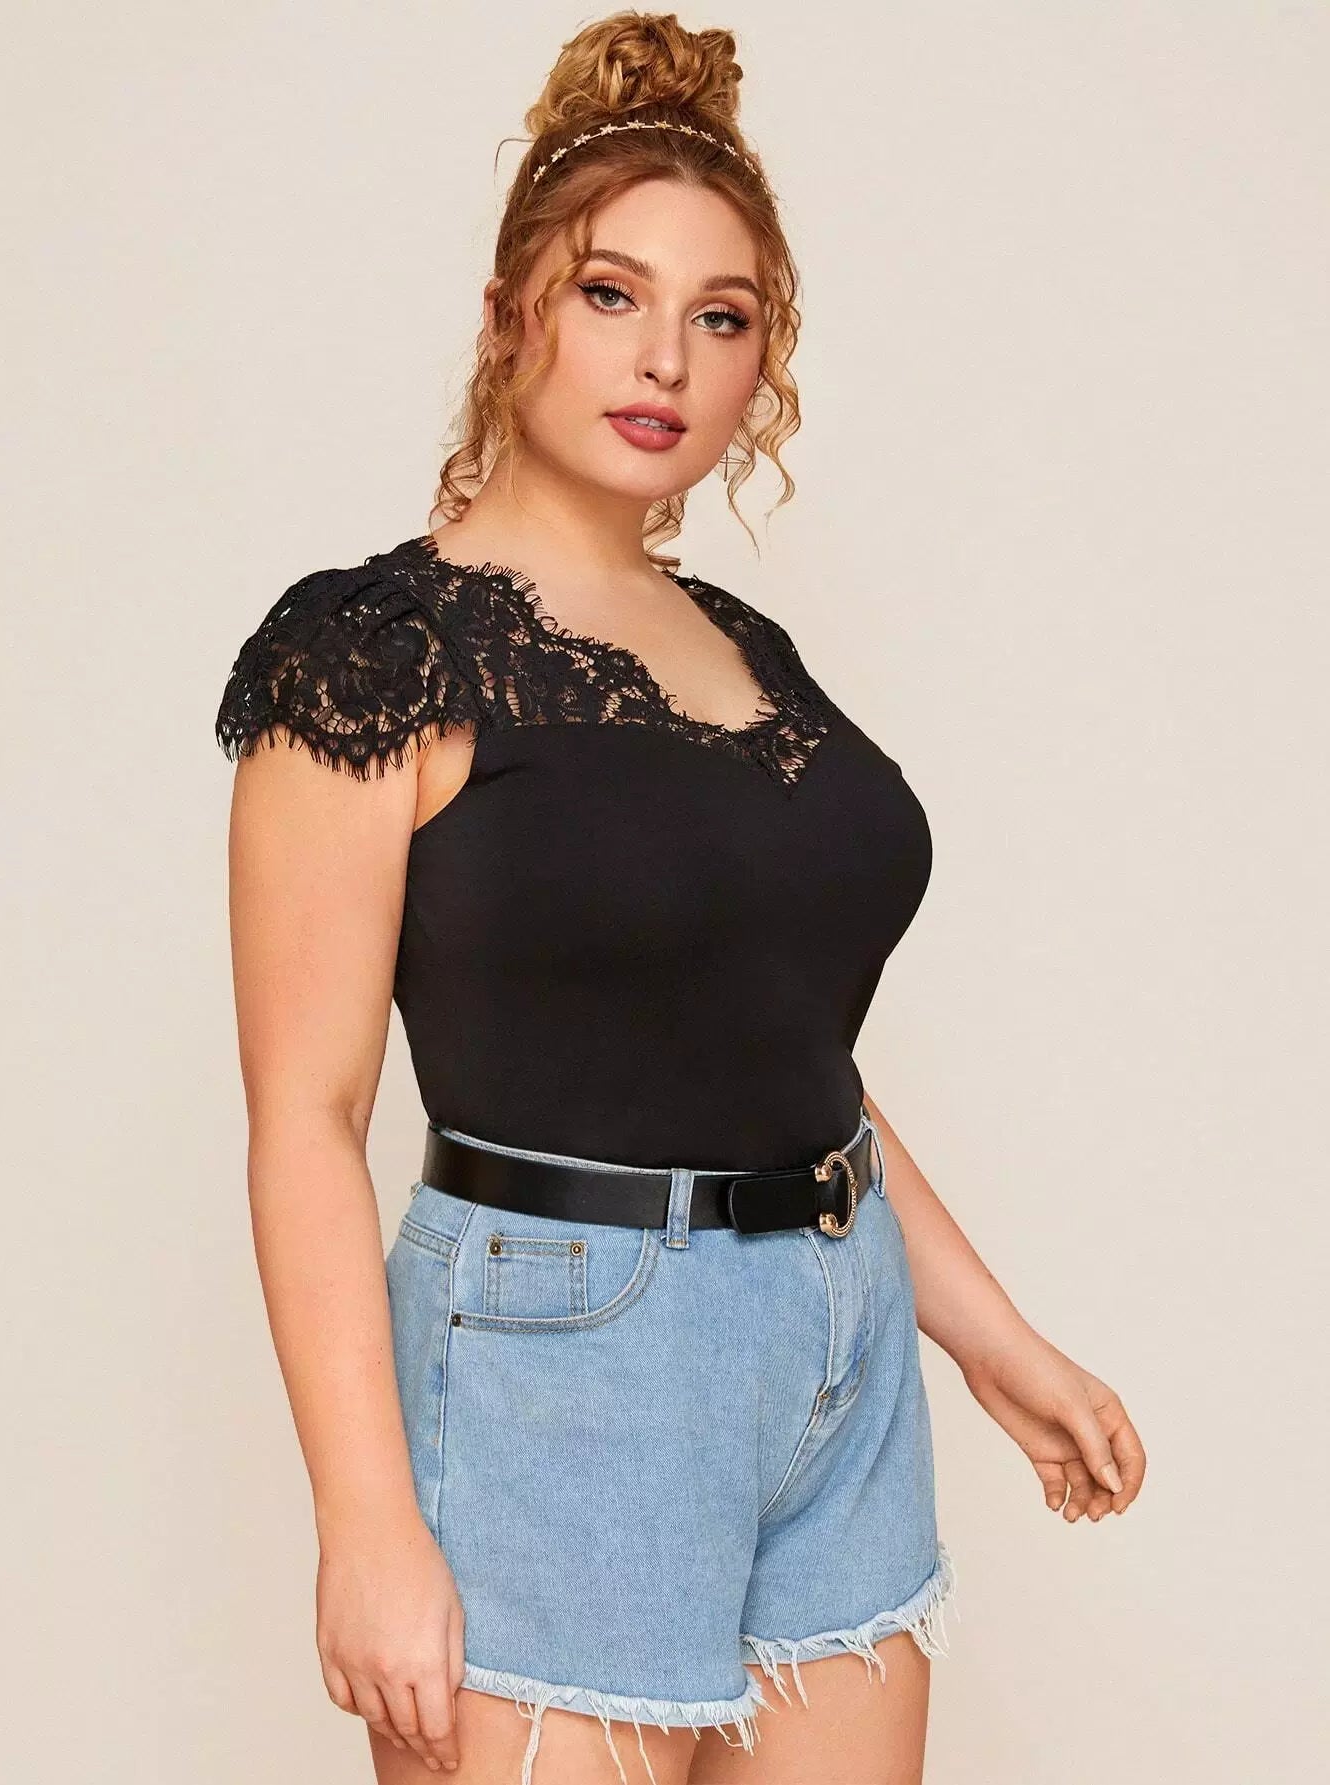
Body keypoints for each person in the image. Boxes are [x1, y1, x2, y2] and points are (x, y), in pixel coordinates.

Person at [214, 13, 1146, 1785]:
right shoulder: (374, 652)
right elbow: (306, 1117)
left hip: (840, 1352)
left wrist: (993, 1340)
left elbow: (778, 1048)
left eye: (722, 317)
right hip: (557, 1371)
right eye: (611, 295)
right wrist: (367, 1519)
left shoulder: (750, 650)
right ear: (510, 316)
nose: (666, 359)